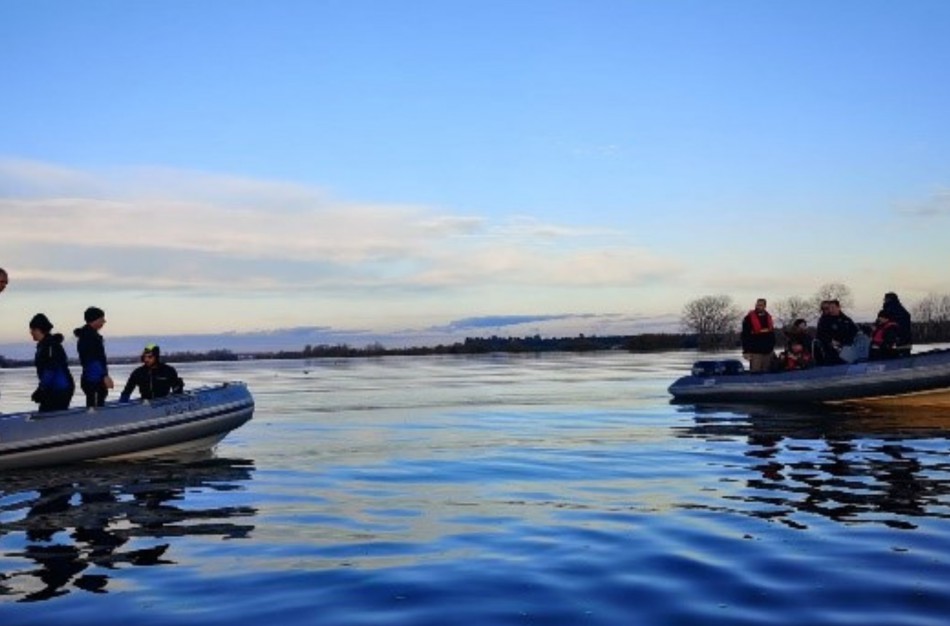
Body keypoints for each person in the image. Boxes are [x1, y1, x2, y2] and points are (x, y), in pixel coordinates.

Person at [29, 313, 76, 412]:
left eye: (32, 330)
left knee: (47, 414)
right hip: (53, 388)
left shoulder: (50, 346)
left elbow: (51, 369)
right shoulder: (44, 345)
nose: (31, 333)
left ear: (38, 329)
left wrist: (41, 390)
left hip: (60, 389)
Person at [73, 306, 114, 408]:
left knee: (96, 403)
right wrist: (104, 376)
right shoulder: (89, 338)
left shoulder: (91, 336)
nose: (104, 321)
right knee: (95, 407)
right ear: (94, 320)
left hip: (94, 379)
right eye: (102, 319)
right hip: (93, 380)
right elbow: (92, 360)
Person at [119, 344, 184, 402]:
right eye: (145, 357)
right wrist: (122, 402)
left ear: (156, 357)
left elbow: (177, 390)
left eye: (150, 357)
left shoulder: (168, 370)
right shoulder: (138, 373)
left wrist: (178, 388)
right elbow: (127, 391)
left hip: (164, 403)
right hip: (145, 404)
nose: (146, 360)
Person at [814, 299, 859, 365]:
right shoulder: (825, 320)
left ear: (838, 307)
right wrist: (830, 341)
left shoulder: (846, 319)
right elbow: (820, 334)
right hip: (832, 351)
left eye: (833, 308)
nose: (831, 310)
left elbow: (854, 330)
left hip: (848, 348)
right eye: (829, 308)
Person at [741, 298, 776, 373]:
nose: (758, 306)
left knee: (767, 371)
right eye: (757, 305)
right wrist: (746, 351)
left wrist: (772, 347)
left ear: (764, 306)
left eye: (761, 305)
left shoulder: (768, 318)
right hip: (755, 351)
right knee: (755, 372)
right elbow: (745, 335)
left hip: (768, 350)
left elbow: (772, 334)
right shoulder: (748, 318)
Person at [882, 292, 912, 356]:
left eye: (885, 299)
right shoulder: (901, 310)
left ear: (889, 299)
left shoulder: (888, 311)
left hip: (894, 343)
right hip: (905, 341)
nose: (884, 300)